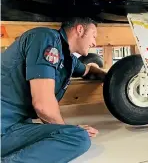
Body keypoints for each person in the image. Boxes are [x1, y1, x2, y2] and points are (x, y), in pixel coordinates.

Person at [1, 17, 107, 162]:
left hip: (14, 126)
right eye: (93, 35)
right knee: (78, 138)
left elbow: (88, 70)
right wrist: (64, 131)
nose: (94, 42)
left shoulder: (67, 58)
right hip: (4, 125)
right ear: (80, 30)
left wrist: (113, 76)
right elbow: (43, 105)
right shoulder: (46, 39)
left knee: (75, 134)